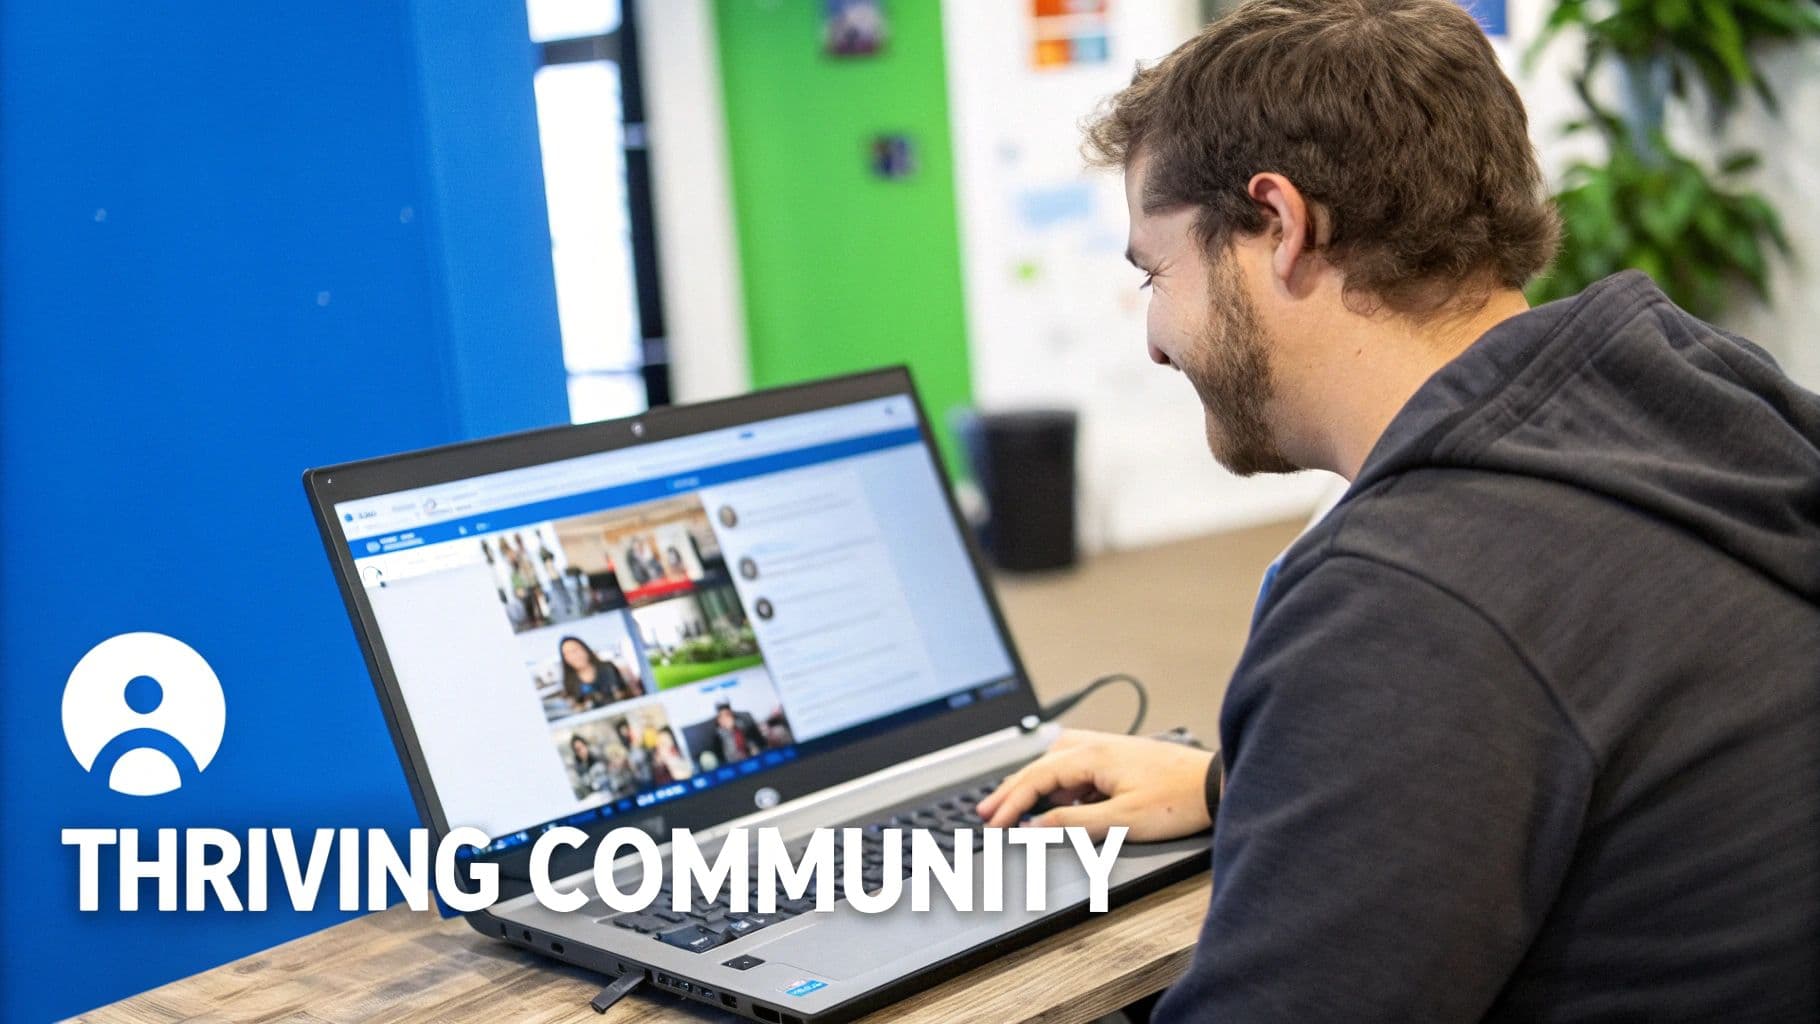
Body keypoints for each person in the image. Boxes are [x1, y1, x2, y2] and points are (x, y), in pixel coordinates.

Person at [976, 1, 1820, 1019]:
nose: (1154, 340)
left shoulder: (1409, 599)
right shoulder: (1701, 409)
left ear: (1278, 226)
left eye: (1156, 272)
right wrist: (1237, 783)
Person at [557, 636, 626, 712]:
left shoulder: (608, 668)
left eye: (575, 650)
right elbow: (575, 707)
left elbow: (625, 690)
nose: (573, 656)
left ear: (585, 649)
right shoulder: (569, 682)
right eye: (566, 654)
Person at [707, 701, 767, 765]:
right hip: (734, 764)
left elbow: (758, 743)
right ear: (719, 721)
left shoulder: (744, 726)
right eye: (722, 717)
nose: (726, 719)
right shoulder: (717, 737)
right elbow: (722, 758)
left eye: (728, 715)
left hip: (753, 759)